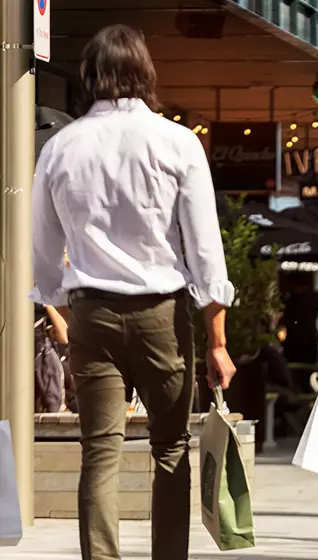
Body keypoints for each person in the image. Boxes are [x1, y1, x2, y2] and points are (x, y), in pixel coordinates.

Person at [30, 25, 236, 560]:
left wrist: (57, 295)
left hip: (90, 314)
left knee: (99, 454)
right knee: (171, 449)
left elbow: (44, 250)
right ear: (145, 71)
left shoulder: (60, 147)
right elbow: (207, 253)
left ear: (88, 75)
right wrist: (217, 341)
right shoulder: (177, 142)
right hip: (162, 316)